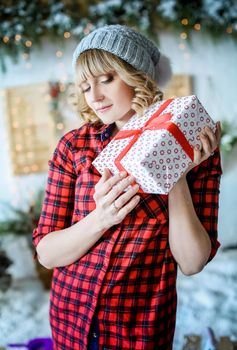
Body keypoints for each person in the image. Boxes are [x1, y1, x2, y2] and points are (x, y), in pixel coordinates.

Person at [33, 24, 222, 350]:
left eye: (106, 79)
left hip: (139, 328)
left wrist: (174, 170)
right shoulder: (75, 146)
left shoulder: (193, 145)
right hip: (71, 320)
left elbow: (192, 263)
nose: (95, 96)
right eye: (85, 86)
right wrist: (101, 217)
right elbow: (47, 254)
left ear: (139, 75)